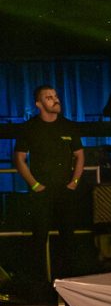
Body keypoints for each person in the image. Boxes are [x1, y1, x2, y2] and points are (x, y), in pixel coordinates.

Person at [13, 86, 84, 285]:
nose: (55, 100)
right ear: (39, 104)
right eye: (49, 97)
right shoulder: (30, 128)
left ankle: (69, 283)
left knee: (68, 237)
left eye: (56, 96)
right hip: (41, 191)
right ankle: (38, 284)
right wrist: (34, 184)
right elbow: (19, 158)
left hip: (65, 190)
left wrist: (74, 182)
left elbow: (79, 155)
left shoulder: (68, 126)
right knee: (39, 238)